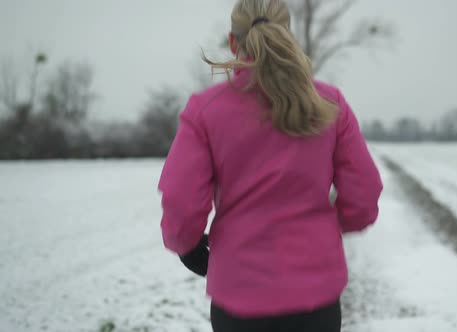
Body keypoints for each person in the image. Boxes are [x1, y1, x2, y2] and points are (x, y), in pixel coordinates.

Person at [158, 0, 383, 331]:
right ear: (288, 36)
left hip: (238, 301)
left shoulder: (205, 110)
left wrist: (187, 245)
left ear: (233, 42)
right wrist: (326, 231)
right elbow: (363, 194)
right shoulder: (328, 103)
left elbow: (180, 199)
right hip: (316, 299)